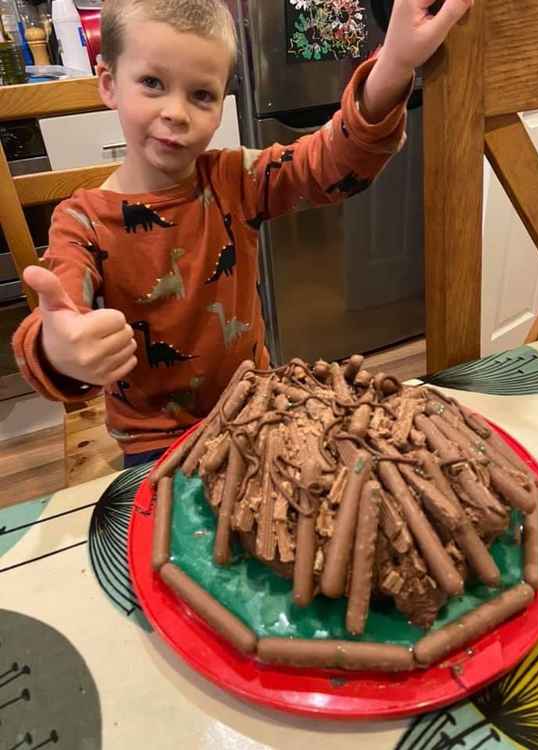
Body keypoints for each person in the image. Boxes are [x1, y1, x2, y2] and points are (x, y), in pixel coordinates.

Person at [13, 0, 472, 468]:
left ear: (221, 105)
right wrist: (59, 347)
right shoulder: (81, 220)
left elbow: (331, 161)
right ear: (109, 83)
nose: (176, 112)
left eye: (201, 95)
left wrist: (395, 62)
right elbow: (60, 310)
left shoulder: (236, 178)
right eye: (152, 83)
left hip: (258, 409)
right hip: (156, 443)